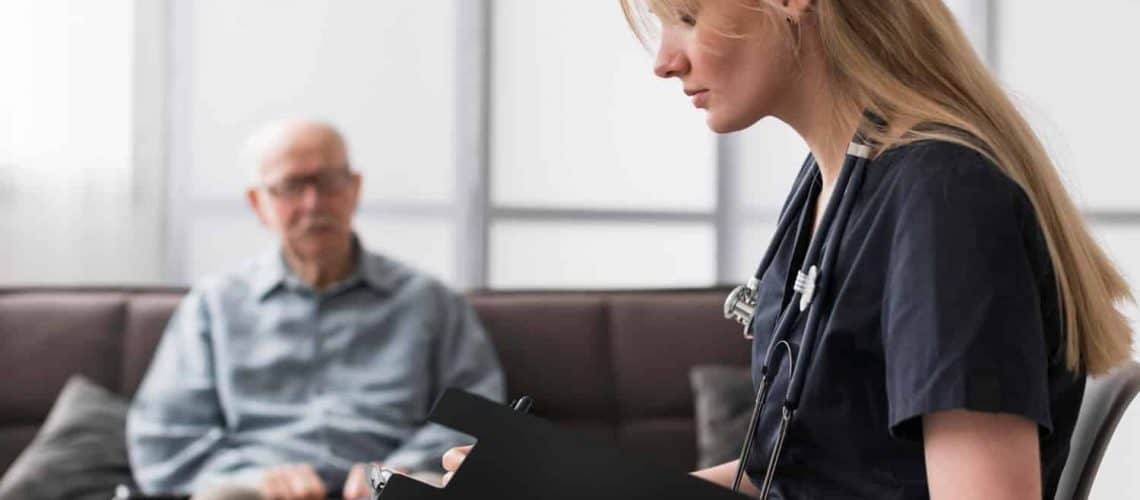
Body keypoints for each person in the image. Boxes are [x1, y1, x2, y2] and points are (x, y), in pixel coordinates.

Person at [442, 1, 1135, 498]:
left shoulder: (942, 201)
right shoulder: (828, 184)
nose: (663, 60)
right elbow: (780, 474)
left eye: (686, 17)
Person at [128, 120, 505, 500]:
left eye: (328, 183)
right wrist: (255, 477)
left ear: (354, 188)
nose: (313, 203)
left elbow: (480, 414)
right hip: (255, 492)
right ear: (259, 204)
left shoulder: (431, 301)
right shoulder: (213, 305)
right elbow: (163, 438)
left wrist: (402, 468)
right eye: (291, 187)